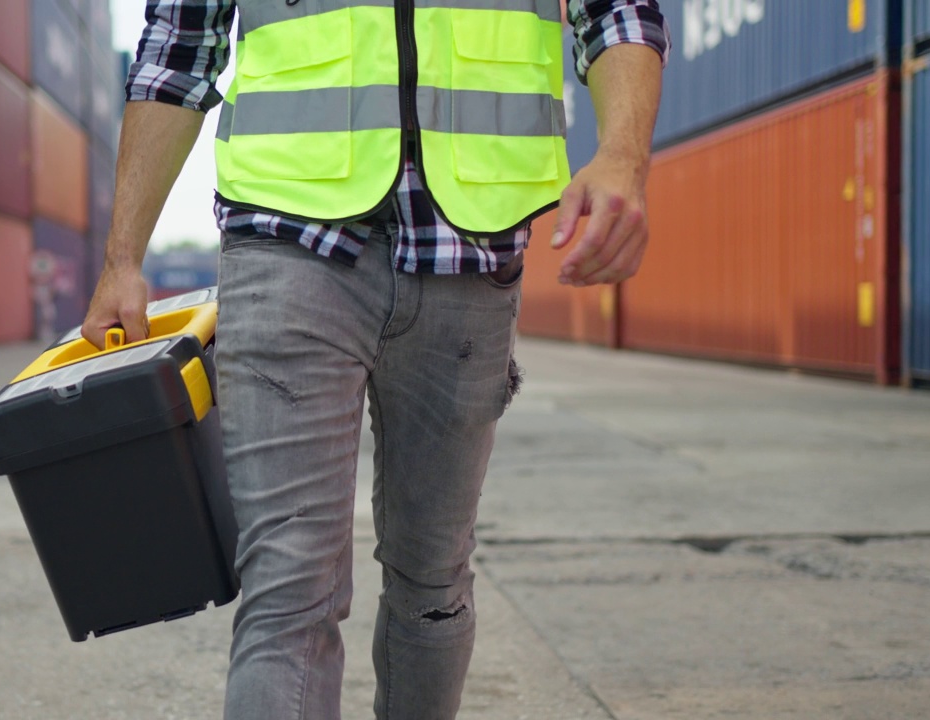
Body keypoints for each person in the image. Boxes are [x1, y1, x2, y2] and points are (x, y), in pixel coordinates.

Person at [82, 1, 669, 717]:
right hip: (287, 237)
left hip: (470, 249)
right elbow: (179, 45)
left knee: (434, 582)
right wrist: (121, 259)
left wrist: (623, 156)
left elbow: (617, 12)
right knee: (289, 587)